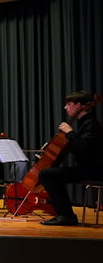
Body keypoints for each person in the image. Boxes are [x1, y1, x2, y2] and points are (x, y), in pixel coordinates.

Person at [39, 91, 103, 226]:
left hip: (93, 170)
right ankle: (65, 214)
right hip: (87, 168)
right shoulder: (85, 123)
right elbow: (79, 146)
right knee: (49, 173)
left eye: (68, 104)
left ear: (79, 105)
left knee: (46, 174)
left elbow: (84, 148)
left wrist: (70, 132)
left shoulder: (91, 124)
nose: (65, 107)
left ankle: (66, 215)